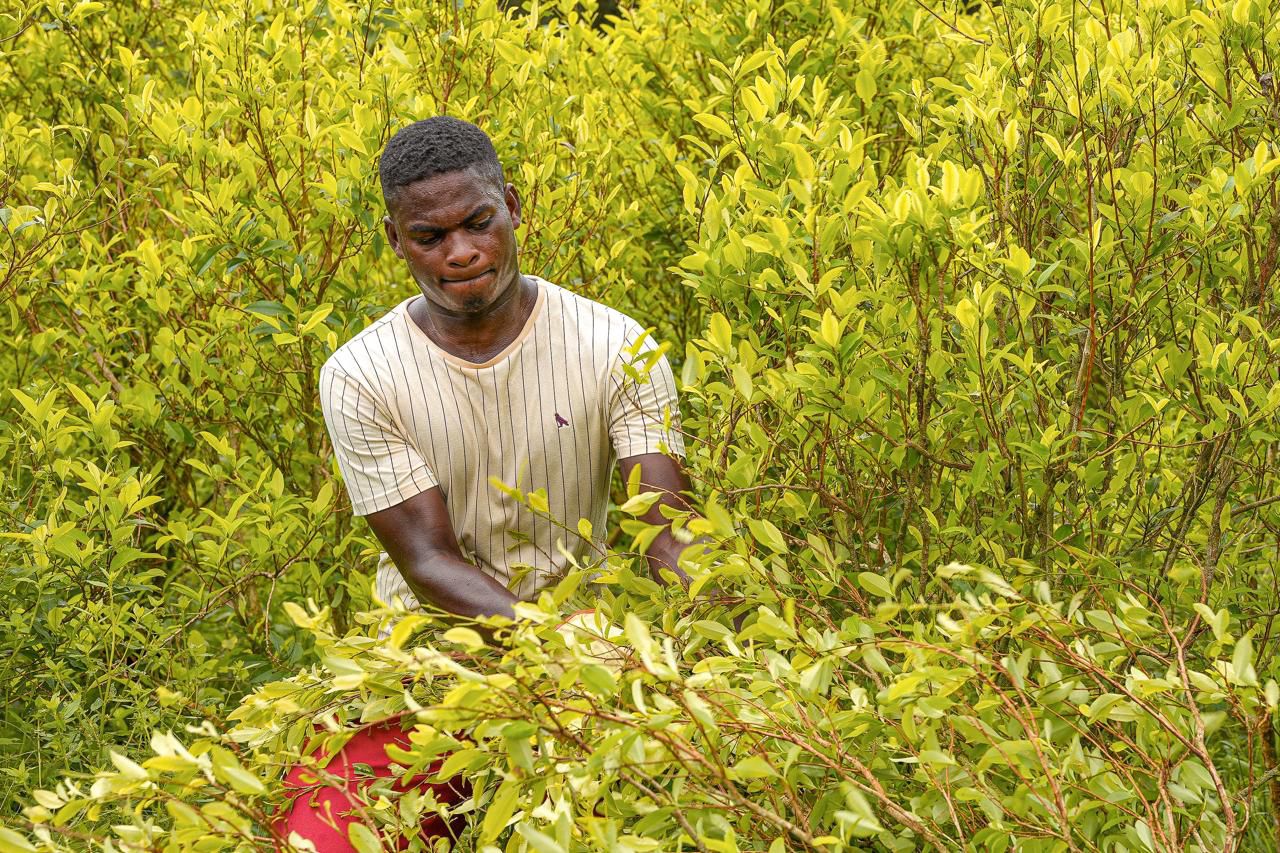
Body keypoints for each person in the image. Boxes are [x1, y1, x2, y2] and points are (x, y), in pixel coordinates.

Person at [279, 116, 698, 848]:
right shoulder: (360, 373)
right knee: (318, 837)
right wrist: (553, 645)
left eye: (478, 222)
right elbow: (428, 562)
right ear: (394, 239)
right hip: (426, 671)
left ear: (512, 203)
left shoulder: (617, 346)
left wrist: (683, 664)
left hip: (592, 664)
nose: (461, 252)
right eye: (429, 237)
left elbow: (669, 531)